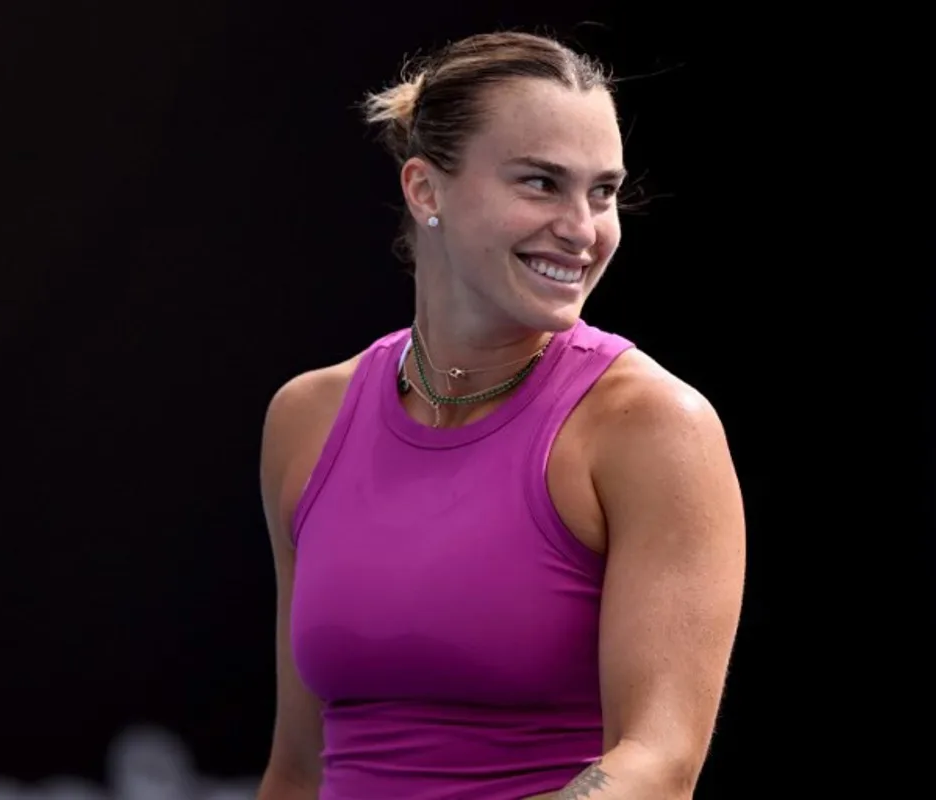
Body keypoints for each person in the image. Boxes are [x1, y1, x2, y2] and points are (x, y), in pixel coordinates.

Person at [256, 31, 746, 800]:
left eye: (604, 191)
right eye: (541, 183)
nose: (583, 230)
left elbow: (659, 761)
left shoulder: (654, 425)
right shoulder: (306, 416)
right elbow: (297, 767)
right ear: (425, 191)